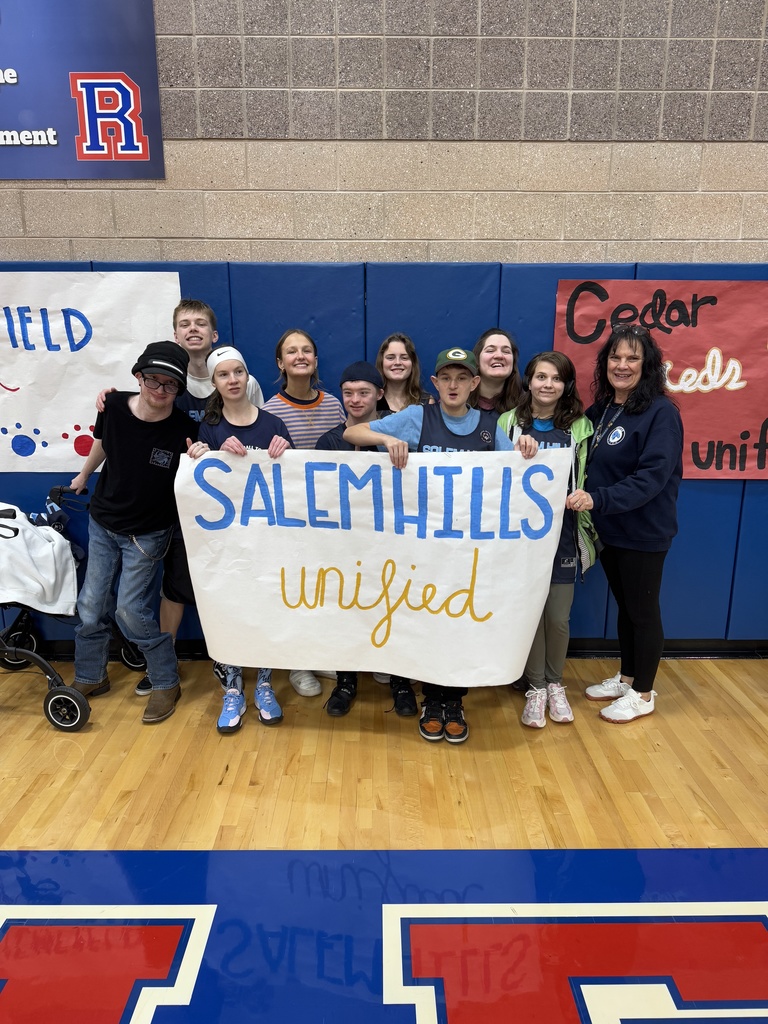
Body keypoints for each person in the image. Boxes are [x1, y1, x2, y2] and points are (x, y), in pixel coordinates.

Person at [344, 346, 535, 744]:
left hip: (469, 551)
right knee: (431, 623)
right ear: (434, 382)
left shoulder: (489, 426)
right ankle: (432, 700)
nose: (453, 385)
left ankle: (455, 701)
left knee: (461, 625)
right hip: (425, 549)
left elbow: (517, 470)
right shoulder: (418, 417)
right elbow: (352, 433)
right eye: (446, 378)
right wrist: (386, 438)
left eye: (462, 378)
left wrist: (527, 450)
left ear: (474, 383)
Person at [97, 298, 265, 697]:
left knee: (228, 581)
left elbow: (255, 433)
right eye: (185, 324)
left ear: (213, 333)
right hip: (168, 502)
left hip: (225, 505)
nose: (193, 329)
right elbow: (132, 406)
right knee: (173, 588)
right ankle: (164, 662)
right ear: (175, 334)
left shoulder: (240, 379)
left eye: (200, 323)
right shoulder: (165, 375)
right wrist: (109, 397)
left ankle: (232, 659)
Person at [70, 341, 194, 724]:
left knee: (129, 609)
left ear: (179, 388)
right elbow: (102, 443)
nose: (160, 390)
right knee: (90, 605)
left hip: (149, 533)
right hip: (103, 522)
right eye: (153, 380)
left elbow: (196, 476)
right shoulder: (112, 406)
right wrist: (84, 475)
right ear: (138, 377)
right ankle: (90, 675)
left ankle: (165, 680)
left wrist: (200, 456)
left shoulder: (185, 429)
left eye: (170, 385)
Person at [566, 324, 683, 724]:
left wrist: (598, 499)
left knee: (643, 612)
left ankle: (643, 693)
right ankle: (627, 678)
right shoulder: (602, 409)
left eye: (633, 358)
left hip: (644, 531)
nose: (622, 365)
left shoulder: (661, 412)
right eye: (615, 357)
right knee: (627, 607)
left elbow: (651, 478)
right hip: (610, 530)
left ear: (647, 365)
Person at [188, 346, 293, 733]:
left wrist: (286, 453)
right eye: (223, 374)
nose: (232, 380)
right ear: (214, 382)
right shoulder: (210, 427)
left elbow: (295, 484)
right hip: (227, 544)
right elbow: (202, 483)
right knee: (227, 609)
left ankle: (264, 683)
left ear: (248, 377)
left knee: (266, 607)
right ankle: (232, 688)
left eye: (238, 372)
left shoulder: (274, 424)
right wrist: (206, 454)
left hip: (268, 541)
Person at [499, 352, 597, 729]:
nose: (547, 384)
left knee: (557, 617)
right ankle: (536, 687)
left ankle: (556, 683)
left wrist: (582, 496)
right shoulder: (509, 422)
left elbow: (588, 475)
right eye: (541, 376)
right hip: (520, 538)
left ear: (566, 385)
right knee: (529, 614)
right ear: (528, 381)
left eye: (556, 378)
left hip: (563, 535)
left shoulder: (580, 427)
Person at [315, 360, 418, 719]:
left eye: (363, 392)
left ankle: (400, 681)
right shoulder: (328, 441)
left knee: (397, 607)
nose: (355, 399)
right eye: (348, 393)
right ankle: (346, 681)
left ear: (379, 394)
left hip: (393, 542)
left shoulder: (401, 435)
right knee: (347, 610)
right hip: (346, 545)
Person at [262, 328, 345, 697]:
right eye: (292, 351)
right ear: (281, 363)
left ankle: (321, 652)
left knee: (327, 587)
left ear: (315, 360)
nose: (300, 356)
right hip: (293, 516)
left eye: (306, 350)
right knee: (298, 588)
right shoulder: (270, 410)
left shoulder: (334, 405)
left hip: (332, 516)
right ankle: (298, 662)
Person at [374, 332, 432, 415]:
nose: (397, 362)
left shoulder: (426, 402)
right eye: (390, 358)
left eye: (404, 358)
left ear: (412, 364)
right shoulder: (371, 401)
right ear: (381, 363)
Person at [470, 328, 522, 418]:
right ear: (477, 359)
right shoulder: (458, 402)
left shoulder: (526, 405)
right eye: (490, 350)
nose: (499, 356)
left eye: (506, 351)